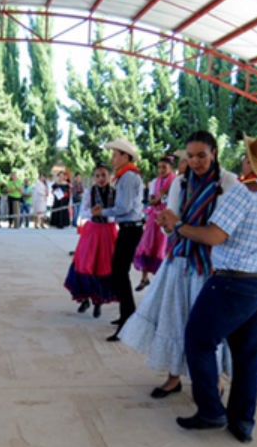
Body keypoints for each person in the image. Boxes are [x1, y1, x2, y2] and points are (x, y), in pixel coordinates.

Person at [166, 131, 257, 443]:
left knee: (198, 341)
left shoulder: (242, 192)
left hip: (234, 282)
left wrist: (179, 227)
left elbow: (214, 235)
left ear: (251, 160)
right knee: (248, 356)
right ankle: (243, 421)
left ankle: (210, 409)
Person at [121, 132, 239, 400]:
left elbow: (222, 230)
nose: (196, 162)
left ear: (215, 154)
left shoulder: (229, 182)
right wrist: (167, 225)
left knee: (209, 327)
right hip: (179, 260)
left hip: (212, 264)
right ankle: (173, 377)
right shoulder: (181, 183)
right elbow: (172, 224)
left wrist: (180, 226)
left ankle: (214, 381)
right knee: (173, 319)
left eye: (202, 156)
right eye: (191, 156)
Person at [99, 139, 145, 342]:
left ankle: (128, 317)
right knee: (120, 273)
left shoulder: (127, 177)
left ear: (126, 157)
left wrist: (103, 211)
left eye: (116, 155)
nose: (113, 158)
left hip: (130, 228)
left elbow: (124, 207)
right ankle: (127, 313)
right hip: (129, 228)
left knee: (119, 274)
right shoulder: (128, 175)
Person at [64, 165, 117, 318]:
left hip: (107, 231)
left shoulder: (115, 193)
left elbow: (117, 213)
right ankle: (84, 298)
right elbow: (83, 212)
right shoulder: (89, 192)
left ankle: (98, 301)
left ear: (109, 177)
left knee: (103, 266)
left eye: (104, 175)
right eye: (98, 175)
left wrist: (107, 215)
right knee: (85, 264)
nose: (101, 178)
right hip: (92, 231)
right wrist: (91, 213)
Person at [133, 156, 177, 291]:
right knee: (147, 245)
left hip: (168, 218)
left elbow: (173, 201)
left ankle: (161, 282)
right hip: (154, 218)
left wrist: (162, 197)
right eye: (159, 167)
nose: (161, 170)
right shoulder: (154, 182)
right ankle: (144, 278)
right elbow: (152, 199)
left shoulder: (175, 182)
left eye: (164, 167)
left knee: (162, 249)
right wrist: (155, 200)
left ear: (171, 168)